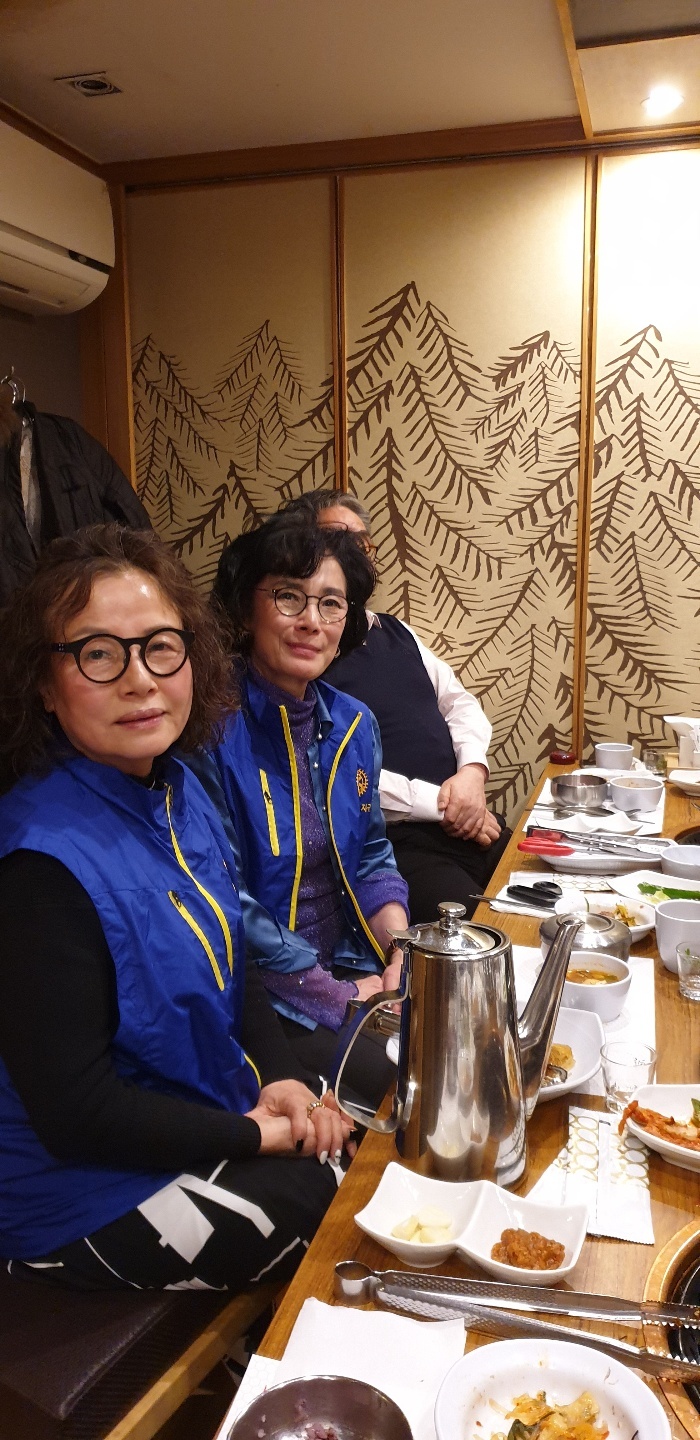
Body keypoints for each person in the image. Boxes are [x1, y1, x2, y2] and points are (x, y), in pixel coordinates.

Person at [0, 523, 352, 1292]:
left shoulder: (176, 787)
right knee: (336, 1205)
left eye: (161, 646)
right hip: (72, 1191)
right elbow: (77, 1114)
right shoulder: (37, 867)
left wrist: (279, 1077)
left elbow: (235, 961)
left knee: (347, 1128)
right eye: (99, 654)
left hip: (181, 1110)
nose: (140, 680)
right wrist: (251, 1133)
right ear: (43, 684)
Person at [207, 514, 410, 1108]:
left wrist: (402, 952)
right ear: (246, 609)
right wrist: (336, 995)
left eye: (331, 604)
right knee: (405, 1085)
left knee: (467, 1029)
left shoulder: (353, 724)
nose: (311, 622)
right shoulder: (208, 728)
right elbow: (223, 896)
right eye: (288, 596)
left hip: (353, 965)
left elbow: (371, 856)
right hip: (263, 997)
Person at [280, 490, 511, 923]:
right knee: (486, 938)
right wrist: (445, 805)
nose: (353, 552)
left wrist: (472, 775)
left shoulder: (396, 631)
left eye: (361, 542)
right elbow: (326, 773)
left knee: (560, 894)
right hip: (395, 845)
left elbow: (459, 703)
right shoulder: (305, 652)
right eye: (336, 539)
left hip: (467, 821)